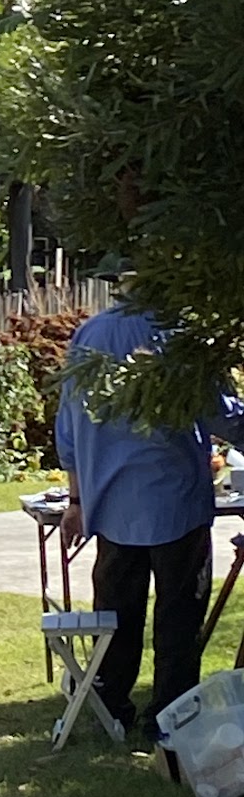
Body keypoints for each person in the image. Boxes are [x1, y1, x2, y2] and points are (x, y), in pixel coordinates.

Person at [56, 293, 244, 743]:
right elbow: (222, 416)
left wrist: (76, 501)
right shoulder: (184, 338)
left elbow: (68, 428)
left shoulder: (89, 334)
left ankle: (111, 709)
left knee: (114, 615)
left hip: (112, 503)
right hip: (175, 500)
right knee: (179, 618)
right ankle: (170, 718)